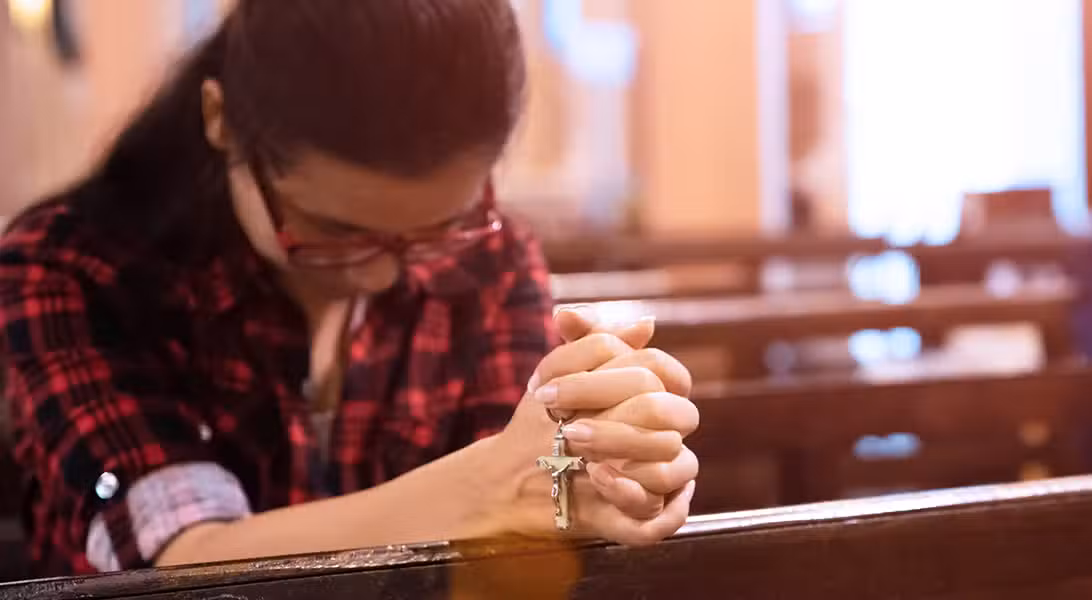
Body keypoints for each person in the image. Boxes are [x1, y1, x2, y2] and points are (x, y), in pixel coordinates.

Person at [0, 0, 698, 577]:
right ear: (222, 122)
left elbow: (518, 532)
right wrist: (496, 485)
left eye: (435, 229)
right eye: (332, 231)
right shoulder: (71, 268)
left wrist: (614, 468)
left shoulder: (489, 253)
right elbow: (178, 561)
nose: (384, 272)